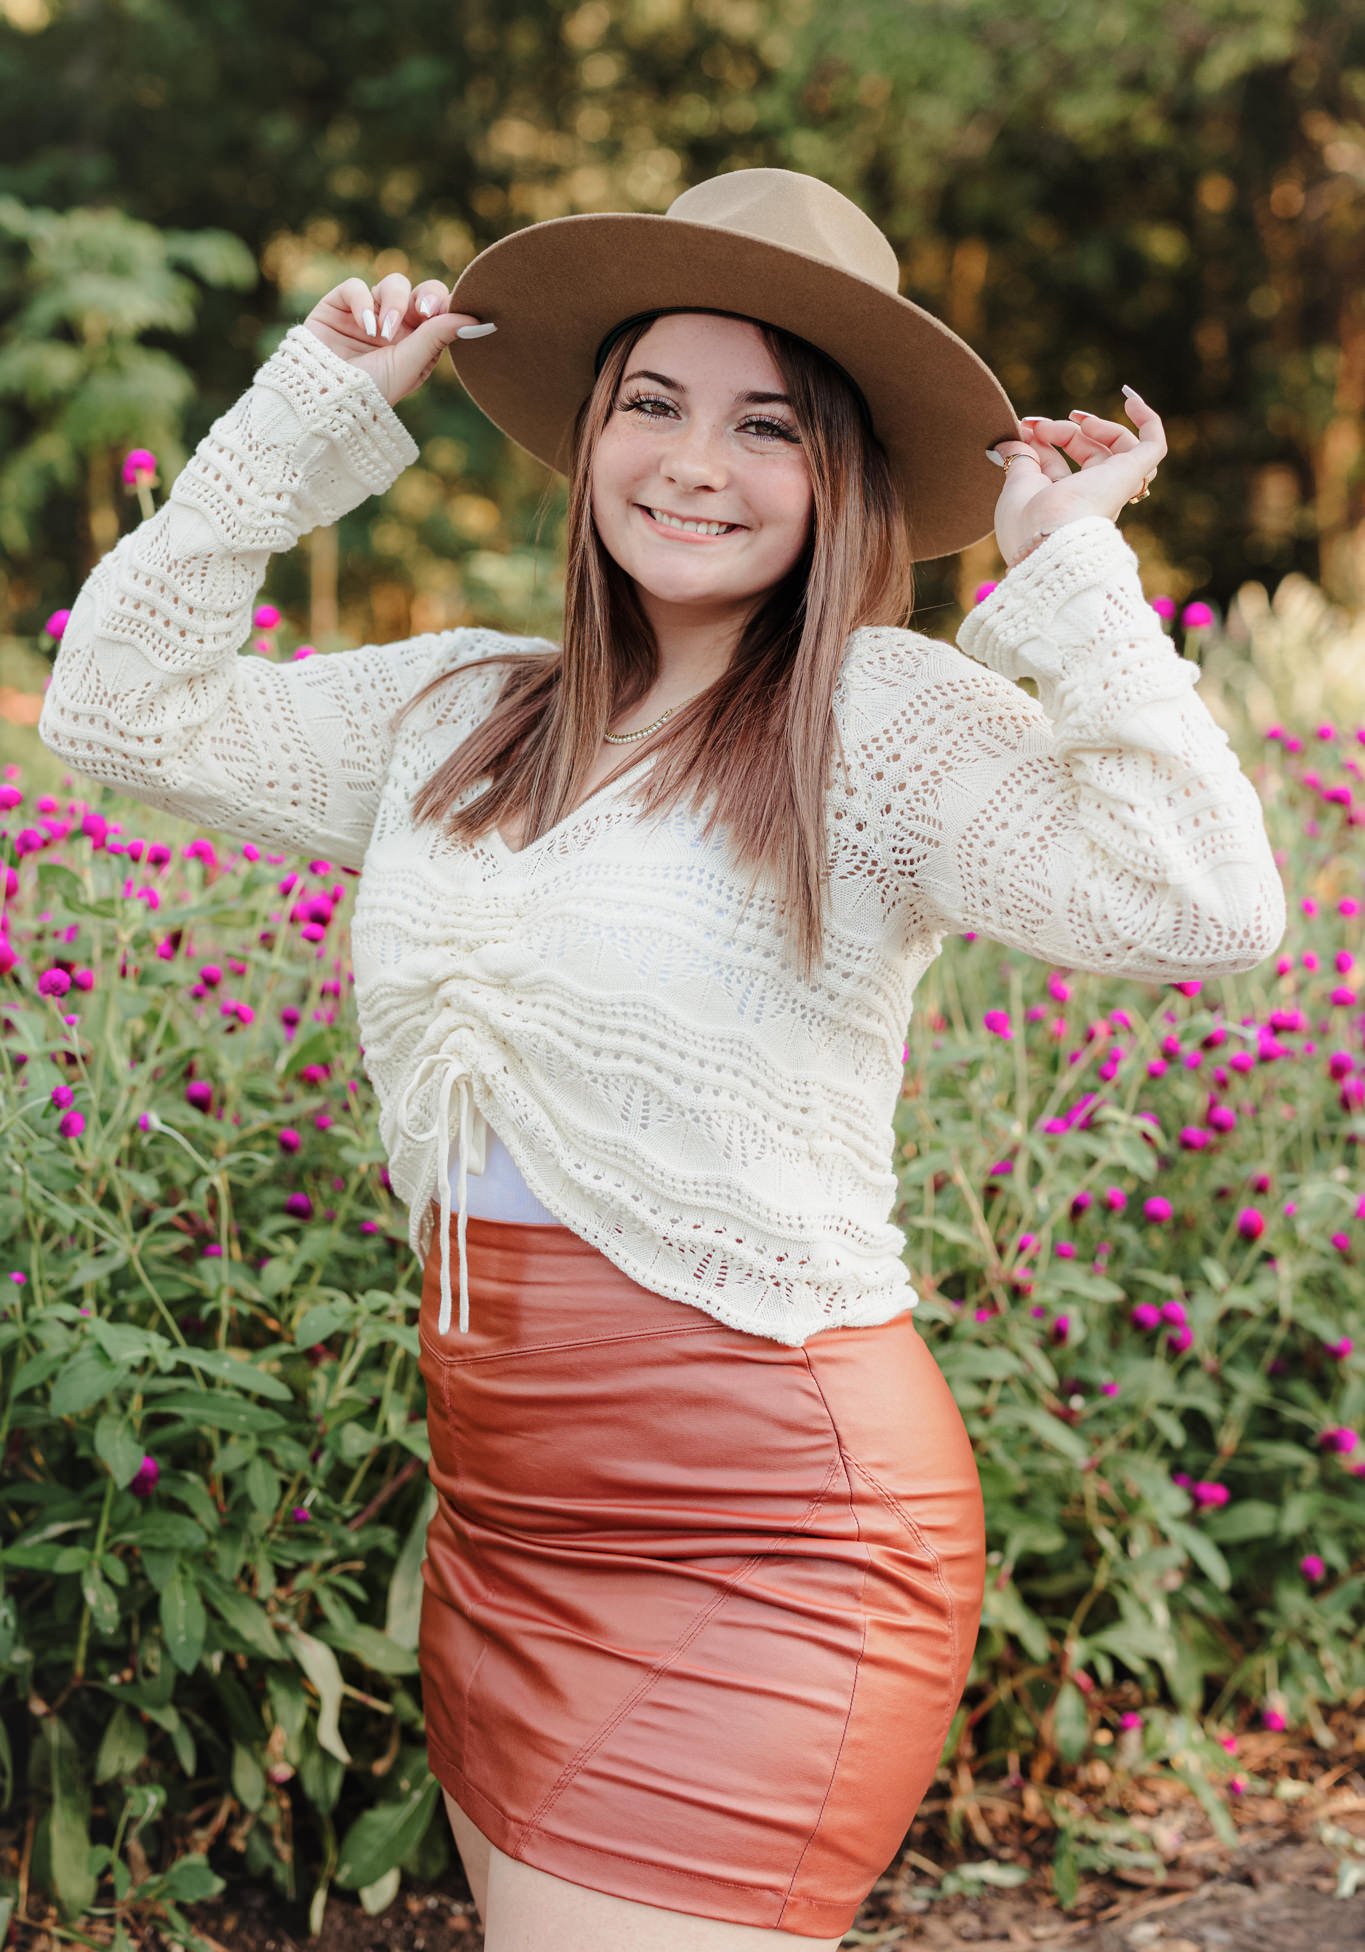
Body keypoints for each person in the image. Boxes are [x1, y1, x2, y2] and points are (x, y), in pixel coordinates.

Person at [39, 168, 1286, 1951]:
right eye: (652, 403)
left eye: (765, 425)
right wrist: (302, 408)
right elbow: (111, 709)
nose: (695, 462)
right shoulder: (461, 714)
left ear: (838, 474)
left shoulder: (877, 725)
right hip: (507, 1525)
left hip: (775, 1525)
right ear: (588, 435)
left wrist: (1068, 564)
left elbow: (1207, 906)